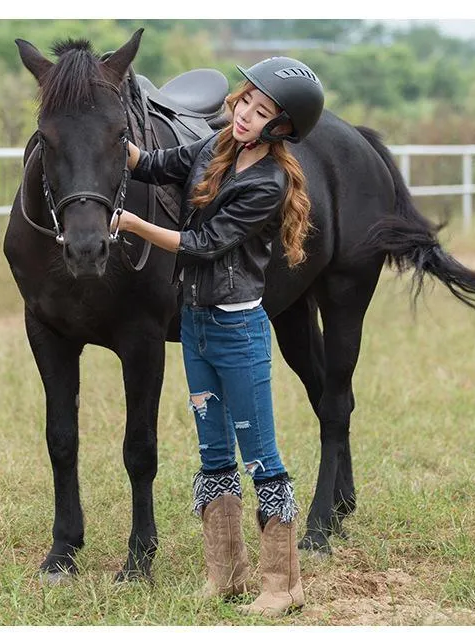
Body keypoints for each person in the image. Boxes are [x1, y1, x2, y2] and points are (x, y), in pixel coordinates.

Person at [111, 56, 324, 617]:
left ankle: (282, 585)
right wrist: (111, 138)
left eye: (262, 111)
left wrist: (133, 225)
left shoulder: (267, 183)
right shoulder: (216, 146)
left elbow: (203, 242)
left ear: (282, 127)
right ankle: (225, 574)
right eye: (246, 101)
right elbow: (156, 163)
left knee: (261, 454)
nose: (245, 114)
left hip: (237, 328)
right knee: (212, 450)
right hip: (196, 324)